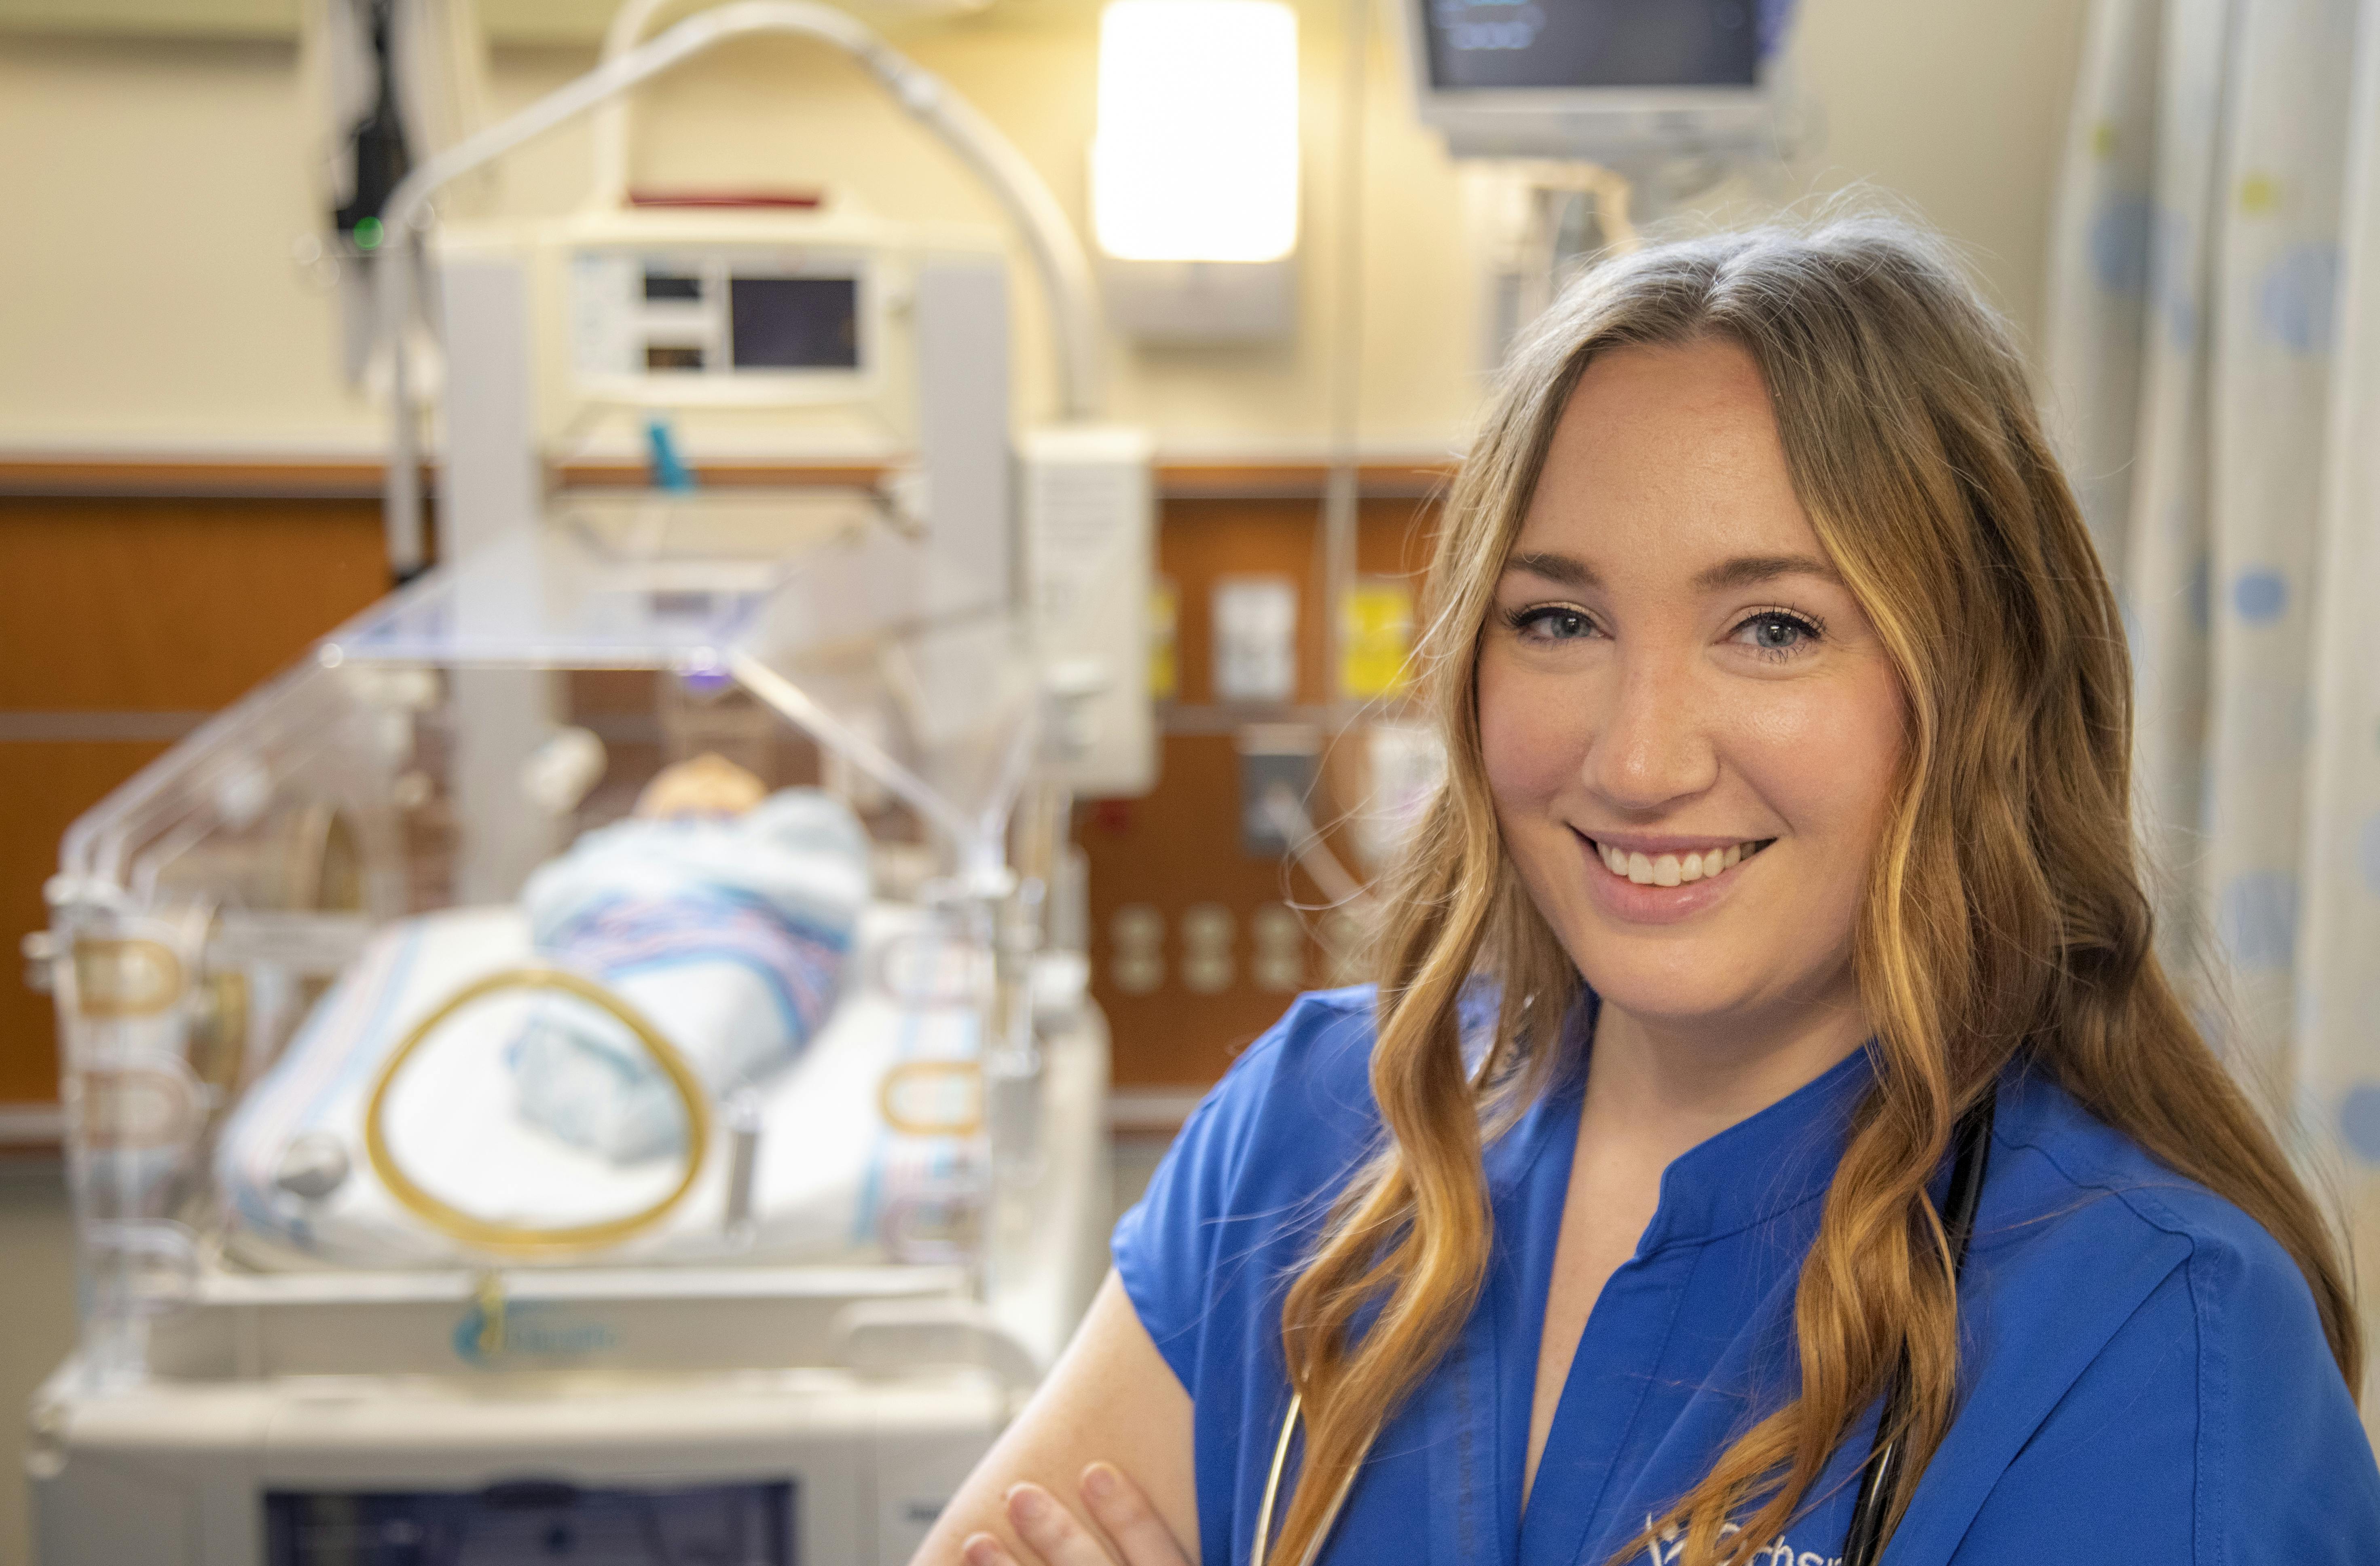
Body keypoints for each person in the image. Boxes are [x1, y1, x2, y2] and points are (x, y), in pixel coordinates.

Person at [912, 218, 2380, 1566]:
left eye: (1772, 627)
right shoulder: (1303, 1146)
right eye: (1558, 619)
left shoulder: (2146, 1336)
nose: (1636, 757)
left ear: (1976, 691)